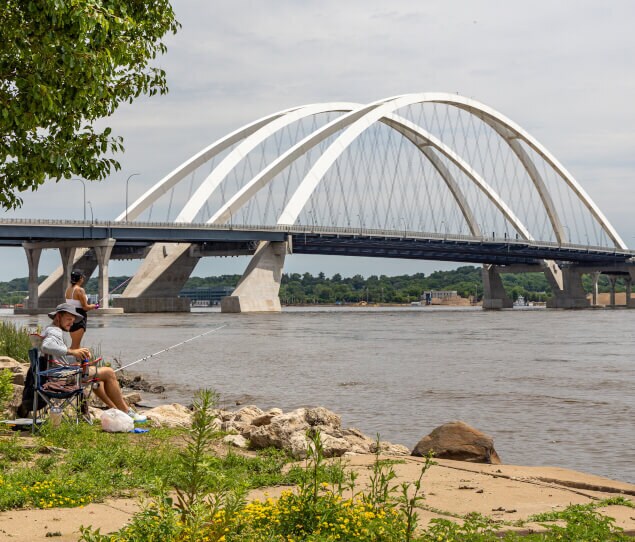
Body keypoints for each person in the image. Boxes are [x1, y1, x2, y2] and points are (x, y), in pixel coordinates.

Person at [41, 303, 146, 422]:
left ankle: (115, 409)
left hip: (54, 374)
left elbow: (55, 357)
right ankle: (127, 412)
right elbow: (46, 346)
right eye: (69, 319)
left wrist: (78, 357)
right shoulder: (54, 331)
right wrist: (73, 352)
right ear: (58, 317)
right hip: (61, 379)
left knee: (97, 378)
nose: (71, 323)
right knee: (109, 372)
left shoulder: (49, 329)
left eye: (73, 320)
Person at [65, 269, 98, 350]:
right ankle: (73, 362)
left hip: (70, 316)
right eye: (82, 277)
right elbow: (85, 307)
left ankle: (77, 361)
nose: (83, 279)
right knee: (75, 346)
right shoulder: (79, 290)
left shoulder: (68, 289)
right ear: (80, 278)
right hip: (79, 317)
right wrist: (94, 306)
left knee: (75, 344)